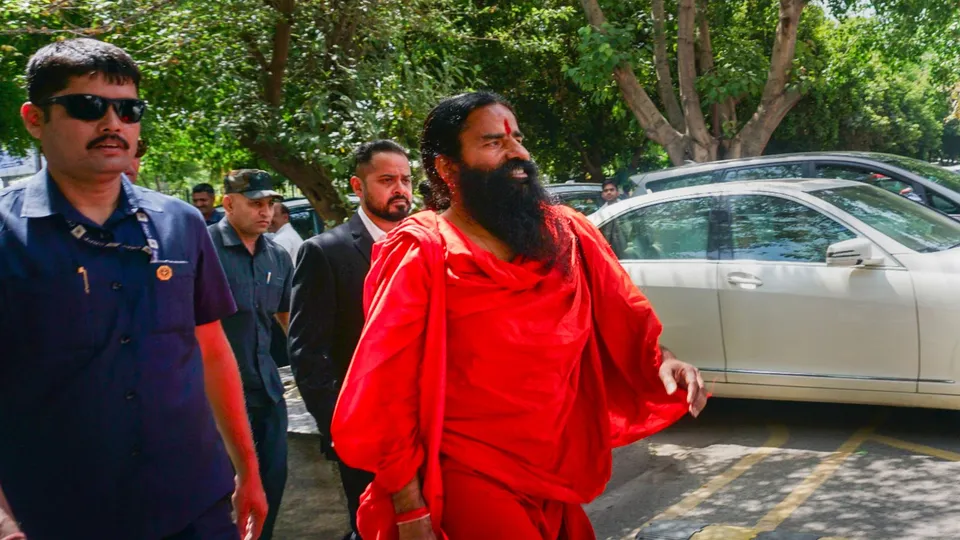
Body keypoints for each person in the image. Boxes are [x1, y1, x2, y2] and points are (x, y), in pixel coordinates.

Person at [330, 93, 708, 540]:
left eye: (517, 139)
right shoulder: (423, 252)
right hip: (471, 474)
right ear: (448, 168)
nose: (518, 154)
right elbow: (387, 392)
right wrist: (409, 507)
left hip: (557, 470)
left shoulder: (569, 235)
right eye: (493, 143)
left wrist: (663, 360)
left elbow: (627, 323)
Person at [0, 38, 267, 540]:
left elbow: (211, 352)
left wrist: (247, 467)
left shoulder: (181, 224)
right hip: (59, 516)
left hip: (194, 505)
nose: (112, 124)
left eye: (128, 109)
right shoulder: (7, 236)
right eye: (87, 106)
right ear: (35, 119)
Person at [289, 139, 413, 540]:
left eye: (407, 180)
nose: (400, 189)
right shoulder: (325, 252)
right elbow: (308, 356)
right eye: (387, 180)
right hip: (365, 436)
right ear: (357, 187)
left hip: (430, 425)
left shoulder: (426, 244)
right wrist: (340, 431)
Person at [208, 169, 293, 540]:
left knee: (270, 489)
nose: (265, 212)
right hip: (216, 402)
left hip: (269, 394)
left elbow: (289, 319)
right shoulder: (203, 249)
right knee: (222, 498)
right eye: (255, 203)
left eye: (270, 204)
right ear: (229, 204)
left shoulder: (277, 255)